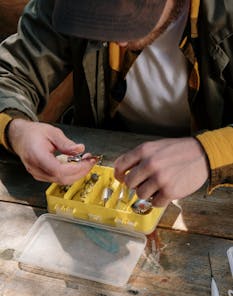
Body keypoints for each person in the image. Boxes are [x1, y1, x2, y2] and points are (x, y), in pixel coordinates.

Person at [0, 0, 232, 208]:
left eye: (132, 15)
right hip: (104, 170)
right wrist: (15, 130)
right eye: (95, 15)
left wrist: (209, 152)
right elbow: (10, 72)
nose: (116, 39)